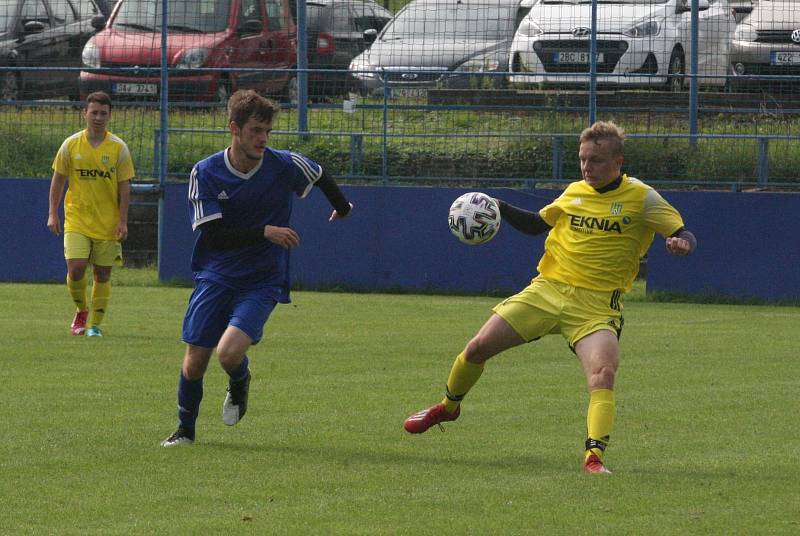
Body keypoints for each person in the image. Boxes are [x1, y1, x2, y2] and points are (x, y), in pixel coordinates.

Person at [403, 121, 696, 474]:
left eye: (597, 161)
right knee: (477, 347)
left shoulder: (642, 197)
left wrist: (681, 244)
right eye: (583, 159)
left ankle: (593, 458)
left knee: (602, 374)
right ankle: (448, 407)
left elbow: (682, 232)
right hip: (547, 290)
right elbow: (536, 224)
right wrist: (499, 206)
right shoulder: (574, 192)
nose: (588, 167)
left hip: (597, 305)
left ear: (618, 161)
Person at [161, 90, 354, 447]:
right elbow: (214, 236)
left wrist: (342, 207)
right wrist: (265, 231)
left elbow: (320, 175)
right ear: (234, 128)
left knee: (229, 353)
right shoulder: (206, 172)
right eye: (255, 130)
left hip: (262, 280)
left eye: (267, 130)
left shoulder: (282, 164)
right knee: (195, 362)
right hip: (215, 275)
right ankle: (185, 430)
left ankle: (239, 381)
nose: (263, 138)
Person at [47, 91, 134, 338]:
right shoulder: (70, 145)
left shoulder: (119, 148)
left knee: (102, 274)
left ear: (109, 116)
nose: (97, 117)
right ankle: (81, 310)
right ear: (85, 113)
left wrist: (123, 220)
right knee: (76, 269)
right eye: (93, 112)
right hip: (77, 219)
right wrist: (53, 213)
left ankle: (94, 324)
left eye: (102, 113)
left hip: (107, 223)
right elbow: (58, 181)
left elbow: (124, 186)